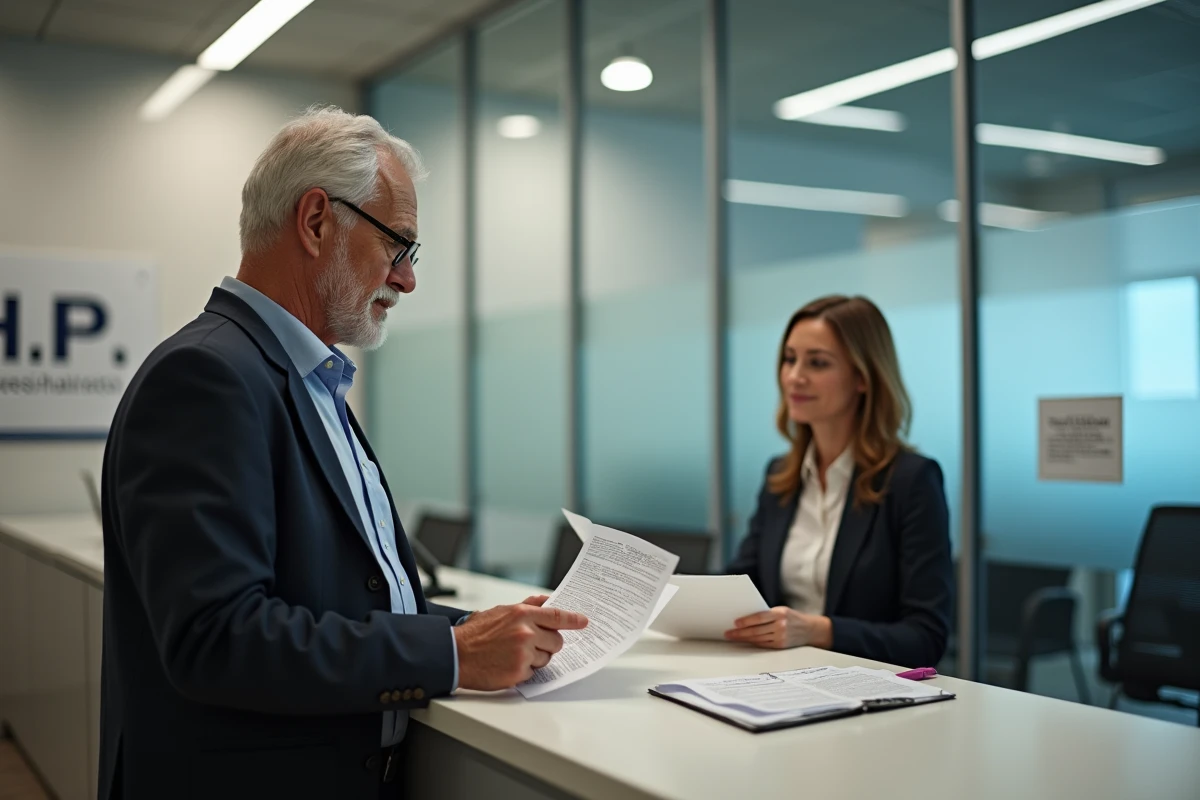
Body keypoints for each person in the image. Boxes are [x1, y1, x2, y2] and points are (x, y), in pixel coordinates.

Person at [98, 106, 587, 800]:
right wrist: (451, 653)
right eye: (400, 246)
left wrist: (480, 629)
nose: (408, 279)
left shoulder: (307, 379)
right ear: (317, 220)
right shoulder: (206, 378)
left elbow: (341, 599)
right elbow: (217, 637)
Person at [724, 295, 952, 668]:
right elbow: (740, 584)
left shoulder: (911, 481)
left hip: (862, 691)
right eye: (789, 358)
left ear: (863, 377)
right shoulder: (781, 476)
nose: (795, 376)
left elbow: (925, 638)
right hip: (776, 678)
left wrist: (817, 630)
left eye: (817, 363)